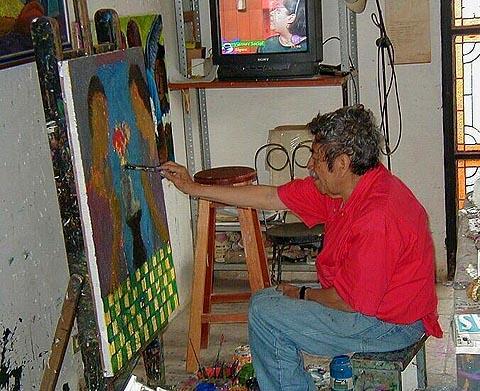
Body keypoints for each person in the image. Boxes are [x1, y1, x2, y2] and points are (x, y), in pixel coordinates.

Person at [160, 105, 443, 391]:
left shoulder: (376, 215)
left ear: (342, 164)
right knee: (265, 303)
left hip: (390, 326)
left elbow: (352, 303)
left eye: (316, 158)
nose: (310, 165)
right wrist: (193, 189)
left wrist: (304, 294)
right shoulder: (349, 188)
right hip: (375, 309)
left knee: (267, 316)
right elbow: (271, 196)